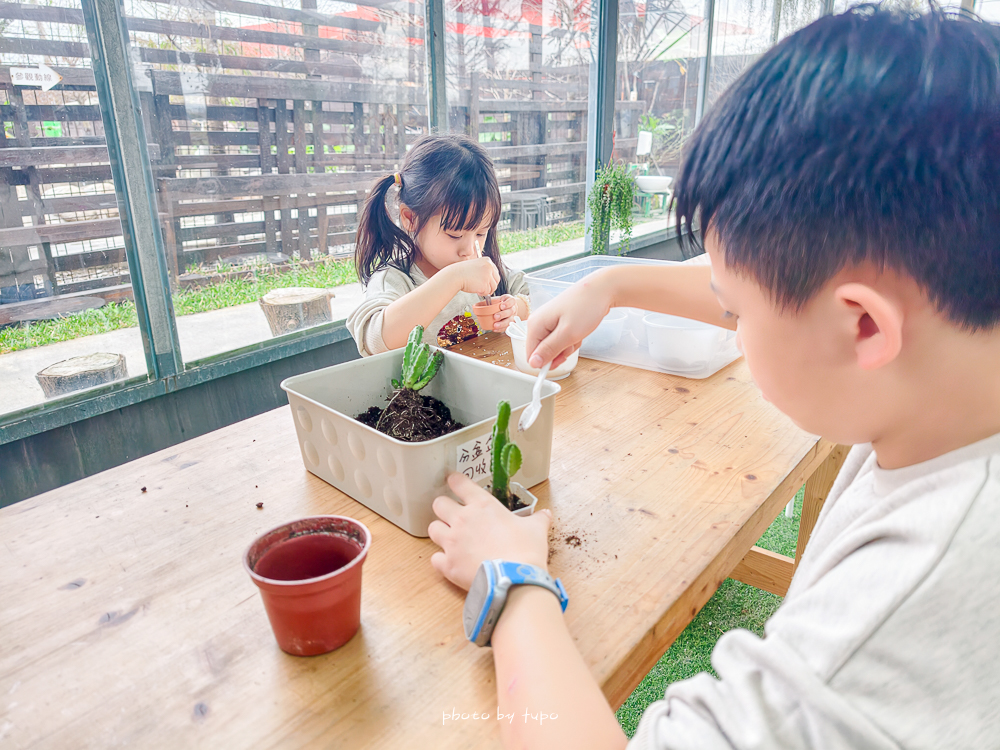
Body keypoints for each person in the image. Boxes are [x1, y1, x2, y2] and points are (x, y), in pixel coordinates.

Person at [427, 8, 1000, 749]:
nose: (726, 316)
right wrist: (615, 285)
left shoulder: (901, 602)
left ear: (864, 328)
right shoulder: (957, 375)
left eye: (733, 310)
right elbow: (795, 298)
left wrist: (511, 582)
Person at [347, 134, 530, 354]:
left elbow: (541, 297)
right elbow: (376, 341)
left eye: (481, 233)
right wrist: (454, 278)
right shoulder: (397, 280)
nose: (470, 250)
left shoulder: (485, 271)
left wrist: (516, 308)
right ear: (410, 218)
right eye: (454, 235)